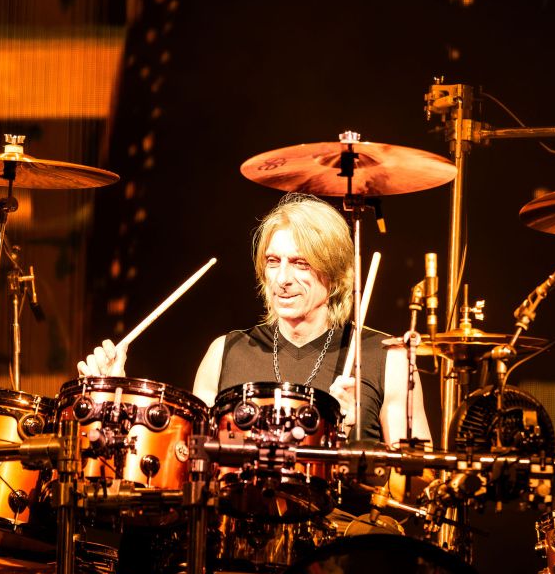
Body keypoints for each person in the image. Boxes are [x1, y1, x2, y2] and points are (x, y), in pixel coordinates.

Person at [78, 191, 432, 452]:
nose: (283, 279)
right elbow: (181, 458)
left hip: (348, 532)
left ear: (336, 273)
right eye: (274, 262)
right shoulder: (225, 352)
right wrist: (115, 394)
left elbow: (420, 484)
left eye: (301, 263)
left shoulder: (386, 358)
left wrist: (356, 447)